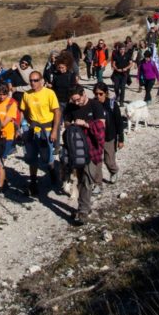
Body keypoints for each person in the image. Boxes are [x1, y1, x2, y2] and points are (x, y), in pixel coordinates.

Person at [65, 85, 106, 225]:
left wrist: (86, 124)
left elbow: (102, 125)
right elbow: (66, 122)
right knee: (81, 177)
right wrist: (70, 125)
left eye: (78, 100)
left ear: (83, 94)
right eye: (73, 101)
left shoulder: (95, 105)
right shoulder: (71, 107)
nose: (76, 103)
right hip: (76, 149)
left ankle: (82, 210)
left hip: (92, 149)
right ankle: (85, 207)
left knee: (87, 179)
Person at [20, 69, 61, 196]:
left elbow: (57, 112)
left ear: (41, 81)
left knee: (47, 156)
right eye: (31, 81)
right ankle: (33, 182)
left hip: (46, 130)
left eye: (36, 80)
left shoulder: (49, 93)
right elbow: (22, 110)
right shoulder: (26, 95)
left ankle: (52, 171)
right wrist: (23, 125)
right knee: (32, 157)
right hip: (32, 130)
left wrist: (54, 131)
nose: (33, 83)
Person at [94, 83, 124, 184]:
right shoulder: (93, 104)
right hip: (96, 138)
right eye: (96, 94)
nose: (98, 96)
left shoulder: (112, 105)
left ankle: (114, 171)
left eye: (100, 94)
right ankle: (97, 183)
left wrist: (121, 139)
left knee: (109, 161)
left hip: (109, 137)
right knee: (97, 161)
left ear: (106, 93)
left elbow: (119, 122)